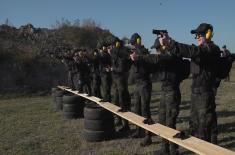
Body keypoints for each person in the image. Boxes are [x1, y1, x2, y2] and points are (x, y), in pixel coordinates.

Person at [155, 23, 221, 144]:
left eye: (200, 35)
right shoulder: (202, 51)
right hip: (196, 93)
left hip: (204, 93)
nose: (198, 38)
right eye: (197, 36)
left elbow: (193, 51)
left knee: (203, 128)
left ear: (208, 34)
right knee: (195, 126)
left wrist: (170, 42)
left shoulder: (211, 49)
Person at [130, 35, 190, 155]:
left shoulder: (170, 56)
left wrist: (140, 56)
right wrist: (137, 61)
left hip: (172, 92)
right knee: (162, 121)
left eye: (158, 48)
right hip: (164, 91)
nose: (156, 50)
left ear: (163, 47)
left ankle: (173, 150)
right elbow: (152, 65)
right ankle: (165, 148)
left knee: (170, 122)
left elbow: (156, 59)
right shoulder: (163, 58)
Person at [129, 33, 154, 146]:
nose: (133, 46)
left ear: (137, 41)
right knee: (137, 109)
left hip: (144, 83)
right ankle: (139, 130)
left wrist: (136, 55)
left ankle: (148, 135)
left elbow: (145, 58)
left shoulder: (143, 51)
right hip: (137, 84)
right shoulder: (133, 52)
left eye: (134, 43)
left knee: (145, 109)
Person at [110, 37, 131, 132]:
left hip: (121, 80)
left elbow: (121, 69)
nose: (110, 47)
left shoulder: (121, 54)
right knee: (116, 101)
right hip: (116, 80)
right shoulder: (116, 54)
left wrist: (112, 69)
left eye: (112, 45)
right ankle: (119, 120)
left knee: (123, 103)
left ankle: (126, 125)